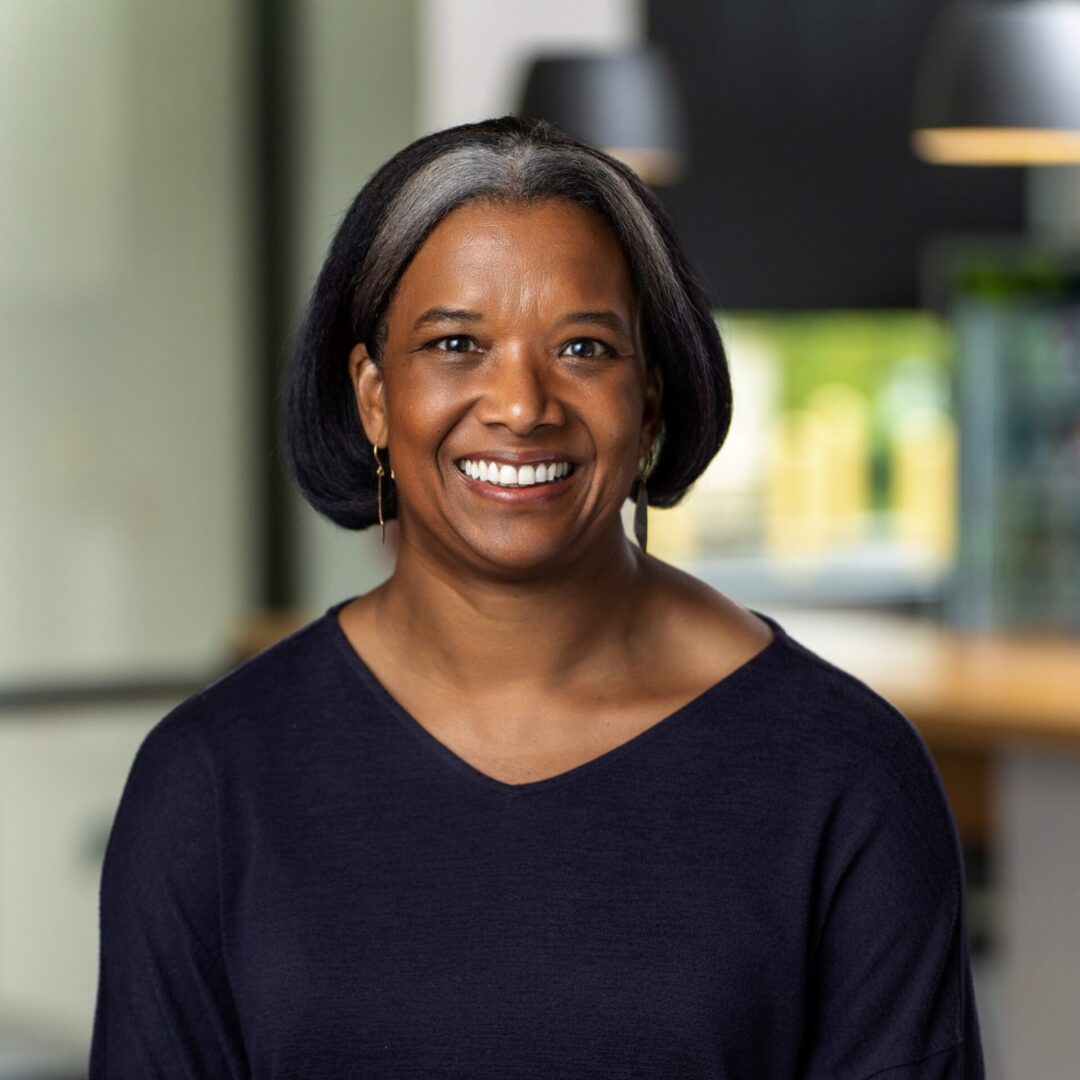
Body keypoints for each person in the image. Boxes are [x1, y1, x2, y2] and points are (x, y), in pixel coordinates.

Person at [89, 115, 985, 1078]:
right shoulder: (211, 782)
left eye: (586, 350)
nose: (522, 405)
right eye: (457, 344)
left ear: (649, 401)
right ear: (374, 396)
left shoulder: (846, 776)